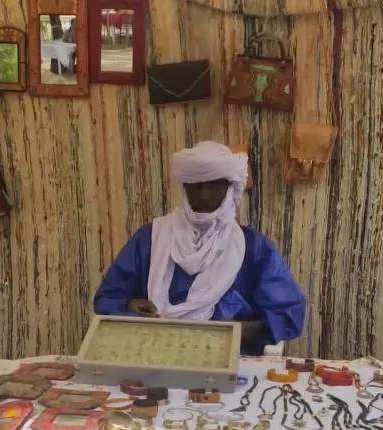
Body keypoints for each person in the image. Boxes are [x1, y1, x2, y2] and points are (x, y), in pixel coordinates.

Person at [93, 141, 306, 355]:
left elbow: (288, 313)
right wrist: (129, 305)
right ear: (185, 188)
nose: (204, 196)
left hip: (233, 360)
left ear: (229, 189)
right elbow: (107, 299)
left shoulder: (252, 248)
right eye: (196, 186)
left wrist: (241, 331)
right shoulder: (150, 238)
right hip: (152, 356)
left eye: (214, 186)